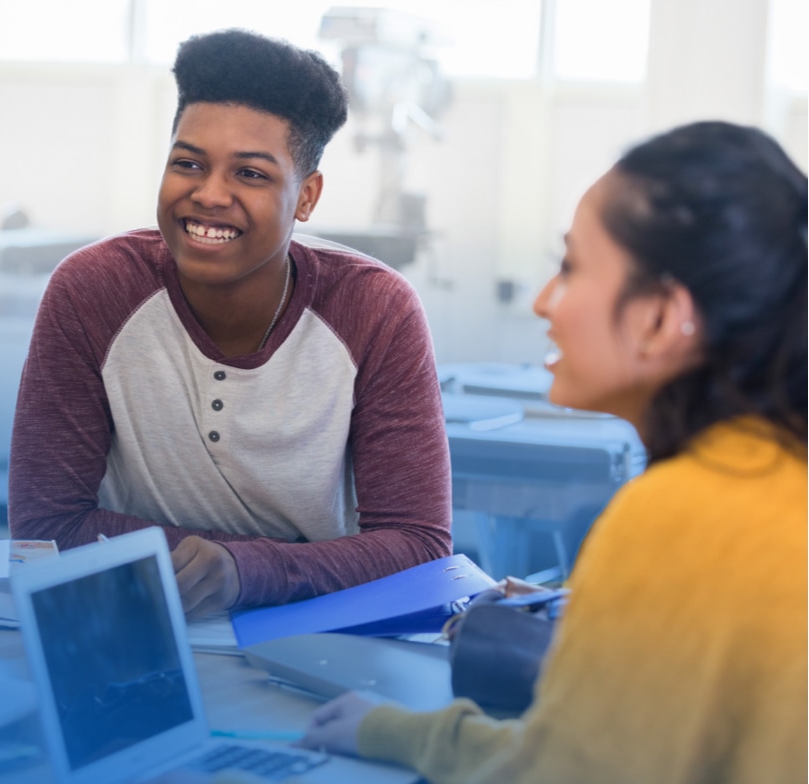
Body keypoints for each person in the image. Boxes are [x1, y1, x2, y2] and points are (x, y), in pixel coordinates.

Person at [299, 121, 807, 782]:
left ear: (658, 317)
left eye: (570, 268)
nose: (544, 302)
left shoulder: (679, 514)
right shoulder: (777, 474)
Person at [9, 29, 452, 618]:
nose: (209, 194)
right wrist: (231, 568)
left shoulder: (376, 309)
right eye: (188, 163)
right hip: (141, 619)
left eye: (251, 174)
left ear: (307, 197)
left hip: (311, 626)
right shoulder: (93, 290)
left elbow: (420, 545)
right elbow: (46, 524)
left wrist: (250, 573)